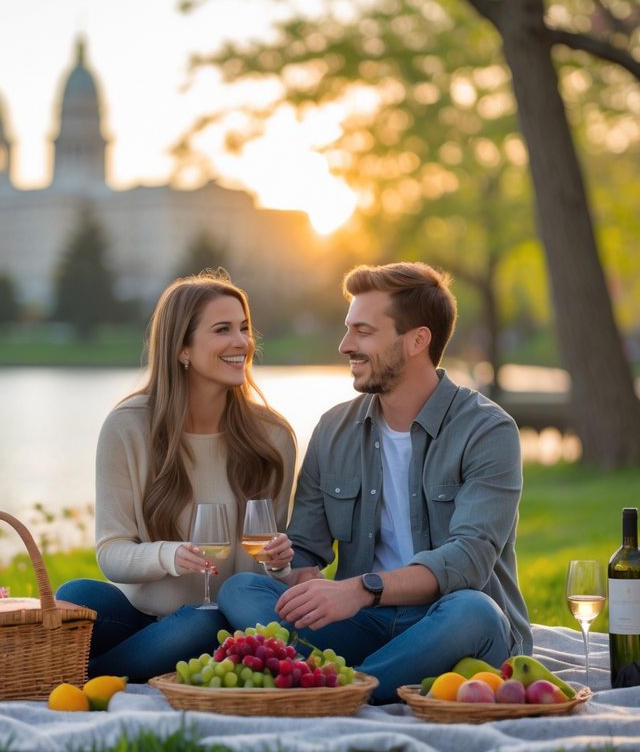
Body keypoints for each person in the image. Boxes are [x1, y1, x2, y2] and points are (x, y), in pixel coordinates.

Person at [218, 262, 532, 703]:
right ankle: (364, 682)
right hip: (364, 628)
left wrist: (361, 590)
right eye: (349, 330)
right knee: (242, 589)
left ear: (416, 341)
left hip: (447, 624)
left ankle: (331, 687)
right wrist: (291, 569)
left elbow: (468, 563)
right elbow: (305, 548)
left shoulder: (487, 431)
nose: (346, 345)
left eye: (363, 332)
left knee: (476, 611)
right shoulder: (333, 429)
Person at [57, 269, 297, 681]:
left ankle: (83, 676)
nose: (241, 342)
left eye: (244, 328)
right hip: (143, 614)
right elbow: (111, 552)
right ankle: (142, 661)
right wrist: (169, 555)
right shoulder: (128, 427)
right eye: (223, 329)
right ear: (182, 349)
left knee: (201, 623)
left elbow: (271, 566)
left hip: (221, 623)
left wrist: (278, 564)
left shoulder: (272, 436)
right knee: (74, 596)